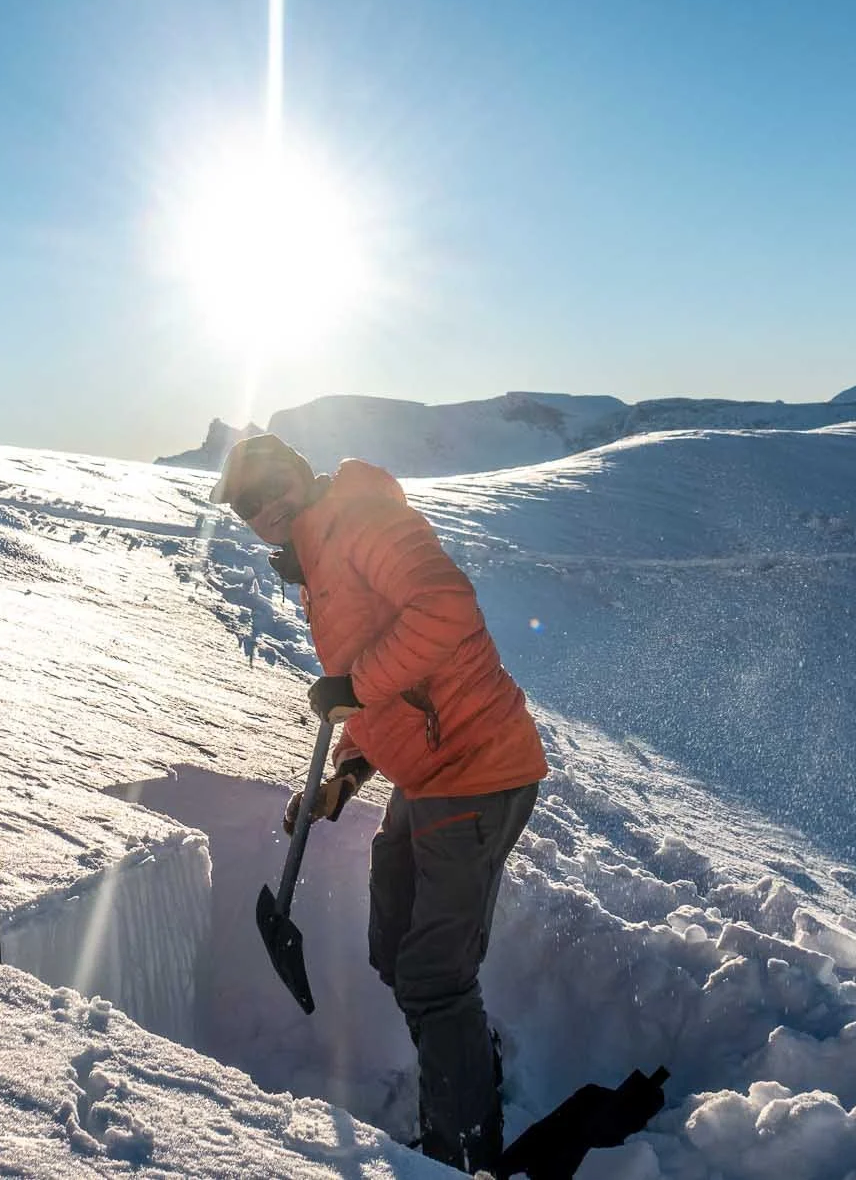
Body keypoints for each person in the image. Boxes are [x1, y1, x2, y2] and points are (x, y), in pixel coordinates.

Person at [211, 432, 548, 1174]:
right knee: (392, 944)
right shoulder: (316, 565)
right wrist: (346, 776)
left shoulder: (359, 518)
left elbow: (445, 605)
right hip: (428, 774)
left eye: (270, 486)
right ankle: (470, 1061)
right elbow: (378, 696)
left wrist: (356, 686)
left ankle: (462, 1150)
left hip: (479, 766)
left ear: (299, 474)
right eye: (244, 503)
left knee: (432, 975)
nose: (262, 507)